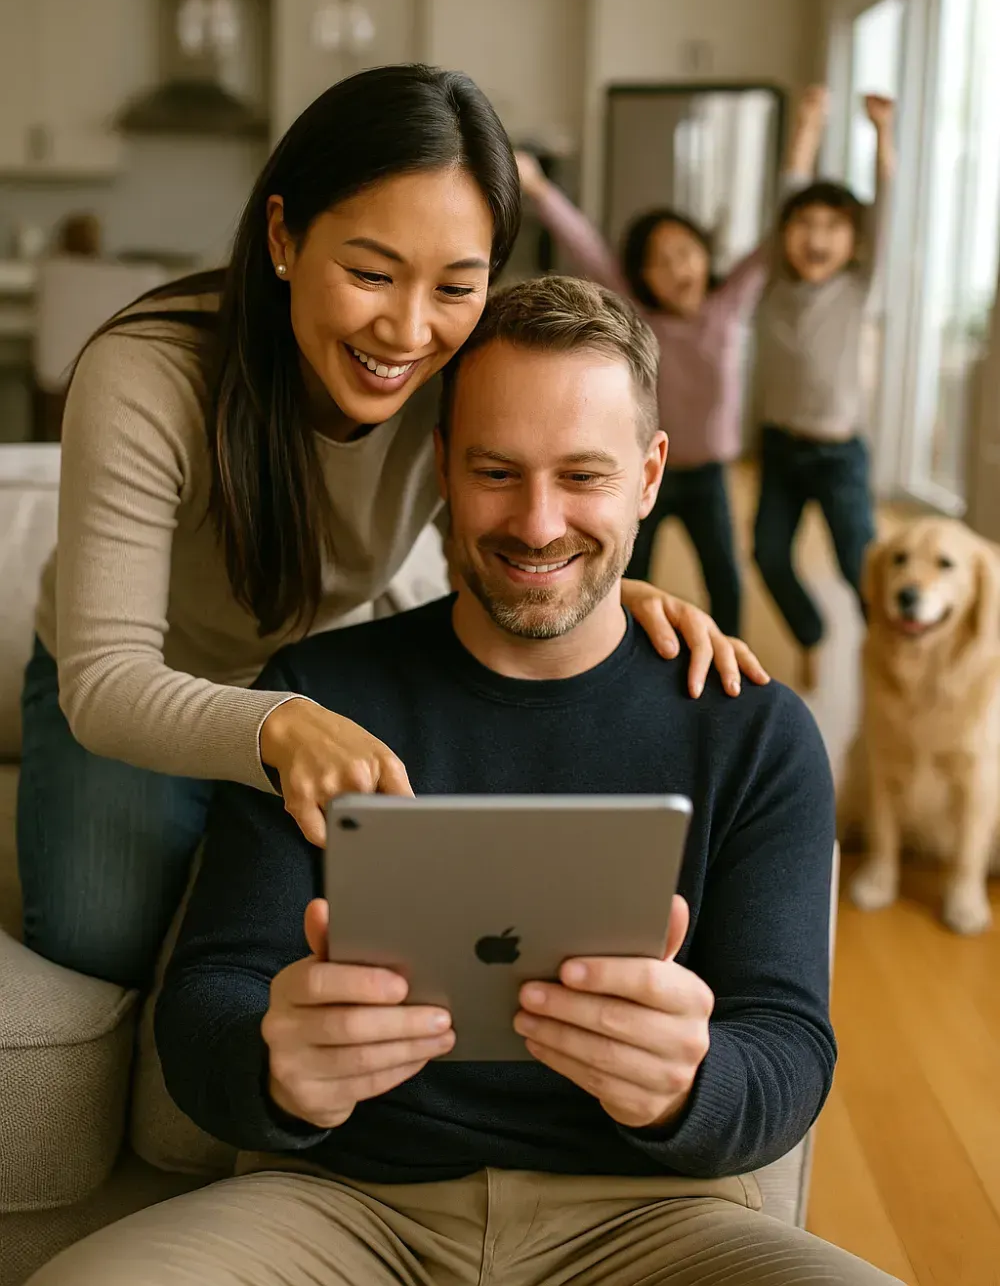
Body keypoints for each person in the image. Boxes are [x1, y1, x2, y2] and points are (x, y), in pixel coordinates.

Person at [29, 276, 900, 1286]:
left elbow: (789, 1047)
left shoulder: (755, 731)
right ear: (440, 466)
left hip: (652, 1222)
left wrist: (689, 1084)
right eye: (497, 471)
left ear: (651, 475)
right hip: (341, 1208)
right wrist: (274, 1067)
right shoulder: (318, 698)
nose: (537, 524)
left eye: (583, 476)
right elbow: (206, 1002)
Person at [17, 66, 767, 990]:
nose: (408, 332)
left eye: (457, 284)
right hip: (138, 685)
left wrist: (609, 589)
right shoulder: (146, 376)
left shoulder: (461, 362)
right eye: (370, 273)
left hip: (318, 668)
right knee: (103, 948)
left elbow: (515, 519)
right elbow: (106, 679)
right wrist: (276, 727)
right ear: (284, 234)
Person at [516, 152, 770, 640]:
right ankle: (631, 651)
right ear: (642, 277)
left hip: (710, 475)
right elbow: (586, 248)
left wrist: (805, 136)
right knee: (631, 575)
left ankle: (731, 657)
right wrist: (540, 188)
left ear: (705, 255)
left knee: (724, 578)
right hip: (648, 471)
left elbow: (769, 247)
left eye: (686, 252)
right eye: (661, 260)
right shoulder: (638, 314)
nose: (678, 268)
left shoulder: (729, 306)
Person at [752, 86, 895, 691]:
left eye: (832, 228)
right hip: (780, 448)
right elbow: (789, 187)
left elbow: (888, 210)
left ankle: (890, 656)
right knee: (768, 555)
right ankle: (811, 634)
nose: (815, 238)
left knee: (859, 568)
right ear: (785, 235)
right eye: (804, 225)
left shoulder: (860, 287)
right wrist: (807, 126)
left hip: (839, 455)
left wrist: (882, 136)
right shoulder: (774, 285)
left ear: (854, 241)